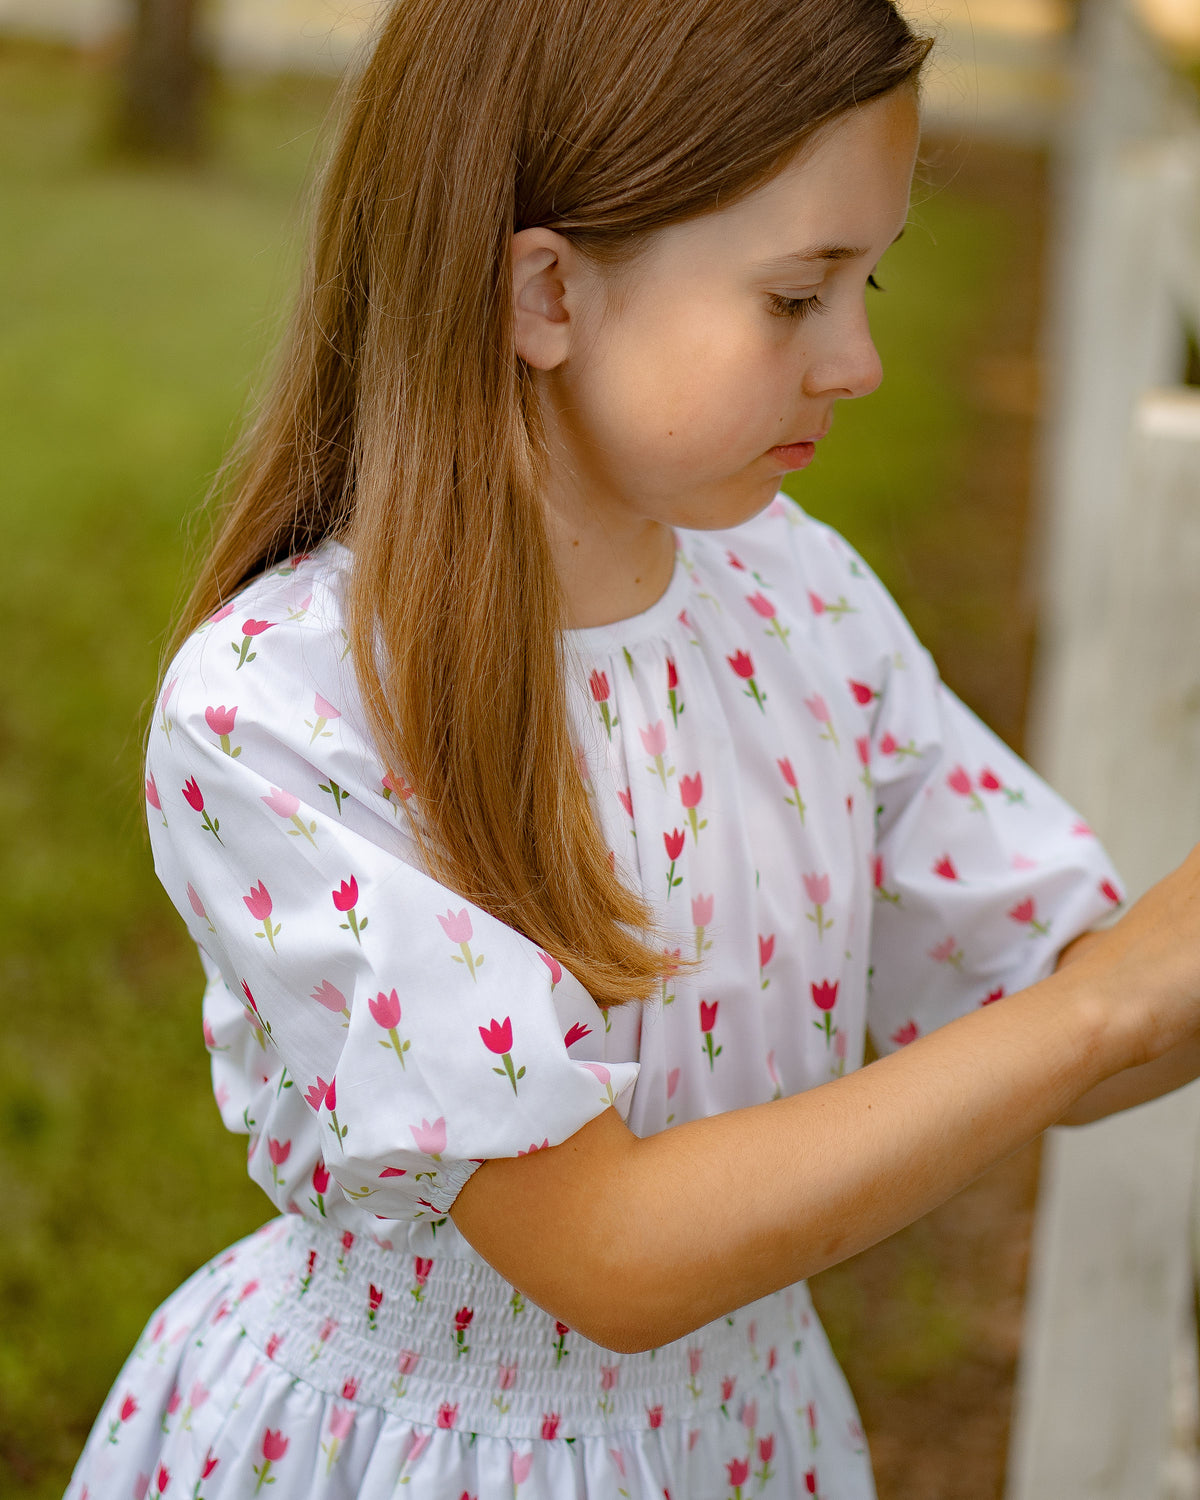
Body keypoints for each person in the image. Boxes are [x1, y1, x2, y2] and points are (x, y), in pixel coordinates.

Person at [65, 0, 1200, 1495]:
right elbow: (608, 1254)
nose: (855, 358)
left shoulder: (803, 600)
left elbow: (1066, 983)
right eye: (798, 297)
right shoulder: (283, 711)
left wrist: (1113, 1002)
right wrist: (1096, 1017)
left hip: (747, 1440)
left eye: (873, 280)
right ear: (545, 294)